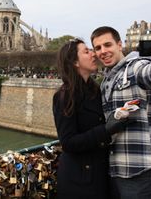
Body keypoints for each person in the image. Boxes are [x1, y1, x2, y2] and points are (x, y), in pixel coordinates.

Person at [91, 26, 151, 199]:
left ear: (120, 45)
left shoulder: (135, 66)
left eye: (107, 45)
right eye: (98, 48)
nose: (103, 51)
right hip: (116, 171)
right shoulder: (106, 81)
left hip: (142, 171)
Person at [52, 38, 131, 198]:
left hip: (101, 173)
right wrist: (106, 129)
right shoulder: (65, 96)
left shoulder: (95, 90)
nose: (94, 54)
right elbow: (68, 142)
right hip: (80, 180)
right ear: (75, 62)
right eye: (86, 51)